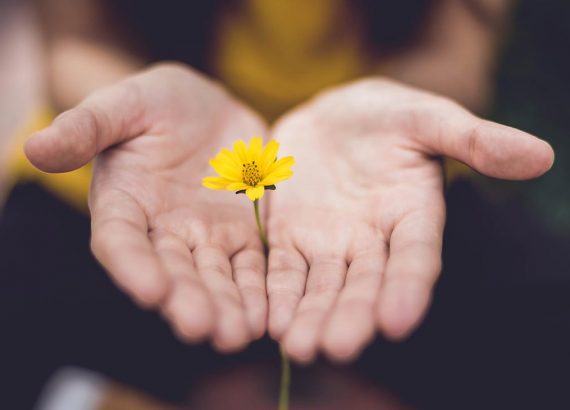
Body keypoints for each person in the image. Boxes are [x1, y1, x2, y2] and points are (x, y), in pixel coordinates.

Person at [1, 1, 564, 407]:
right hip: (145, 182)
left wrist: (397, 103)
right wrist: (123, 105)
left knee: (547, 314)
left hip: (375, 185)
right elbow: (78, 39)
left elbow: (455, 51)